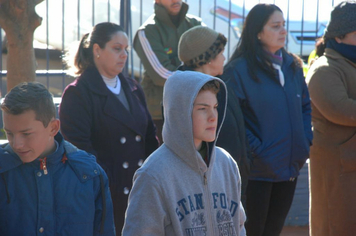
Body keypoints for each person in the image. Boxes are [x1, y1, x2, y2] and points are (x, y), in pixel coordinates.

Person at [222, 4, 313, 236]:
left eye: (283, 25)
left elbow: (304, 106)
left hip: (289, 167)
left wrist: (304, 141)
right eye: (275, 26)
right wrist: (257, 151)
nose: (283, 30)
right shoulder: (237, 70)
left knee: (274, 230)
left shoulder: (292, 65)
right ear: (257, 32)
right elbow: (234, 118)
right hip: (257, 172)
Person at [59, 22, 159, 233]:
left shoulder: (133, 88)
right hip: (106, 199)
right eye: (116, 48)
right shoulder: (78, 94)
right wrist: (110, 184)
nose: (124, 55)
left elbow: (150, 137)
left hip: (141, 194)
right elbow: (80, 153)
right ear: (97, 50)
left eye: (126, 50)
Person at [122, 71, 246, 235]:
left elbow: (239, 225)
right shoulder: (153, 175)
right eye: (203, 108)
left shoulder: (226, 163)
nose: (212, 117)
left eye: (215, 107)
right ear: (180, 113)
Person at [0, 82, 115, 235]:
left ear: (53, 128)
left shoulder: (89, 175)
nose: (17, 144)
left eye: (26, 134)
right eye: (9, 133)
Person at [177, 25, 251, 207]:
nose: (225, 58)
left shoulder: (220, 85)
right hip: (210, 187)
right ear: (208, 59)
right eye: (220, 53)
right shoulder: (184, 94)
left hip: (230, 177)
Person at [306, 2, 356, 235]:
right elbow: (341, 109)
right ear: (339, 37)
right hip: (337, 169)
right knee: (334, 226)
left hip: (349, 166)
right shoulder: (324, 69)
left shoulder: (349, 64)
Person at [133, 0, 202, 143]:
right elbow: (161, 74)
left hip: (193, 108)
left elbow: (210, 60)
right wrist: (198, 77)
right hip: (160, 113)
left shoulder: (196, 24)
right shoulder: (147, 31)